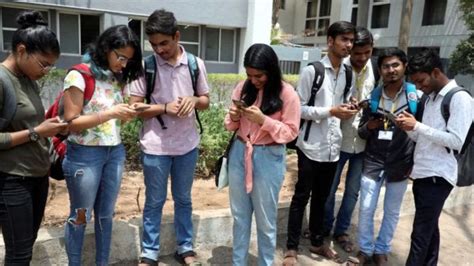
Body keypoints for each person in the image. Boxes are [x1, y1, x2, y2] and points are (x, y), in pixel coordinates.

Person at [128, 9, 210, 266]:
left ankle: (185, 248)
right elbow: (134, 108)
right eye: (153, 44)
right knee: (154, 201)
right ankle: (149, 252)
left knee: (184, 198)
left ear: (176, 36)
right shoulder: (146, 66)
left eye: (164, 43)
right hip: (155, 146)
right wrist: (165, 108)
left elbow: (206, 101)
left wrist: (195, 100)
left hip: (187, 144)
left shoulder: (195, 64)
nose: (159, 49)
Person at [61, 25, 144, 265]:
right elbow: (71, 123)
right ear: (106, 48)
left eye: (129, 60)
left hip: (114, 153)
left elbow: (111, 119)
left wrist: (125, 115)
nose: (124, 64)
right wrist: (110, 114)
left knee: (106, 215)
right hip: (84, 155)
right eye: (121, 57)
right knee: (80, 215)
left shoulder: (115, 77)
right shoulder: (79, 75)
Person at [283, 21, 358, 265]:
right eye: (344, 39)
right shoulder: (312, 71)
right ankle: (291, 248)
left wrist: (350, 107)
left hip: (332, 147)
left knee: (323, 197)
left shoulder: (348, 73)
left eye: (351, 40)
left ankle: (317, 242)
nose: (349, 45)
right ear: (330, 41)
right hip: (310, 145)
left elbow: (344, 103)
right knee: (301, 196)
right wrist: (331, 111)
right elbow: (299, 109)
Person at [0, 10, 67, 265]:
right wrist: (36, 132)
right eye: (43, 63)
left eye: (51, 65)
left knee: (26, 247)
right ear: (21, 50)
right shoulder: (2, 79)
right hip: (12, 180)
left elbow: (31, 125)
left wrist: (51, 129)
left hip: (37, 177)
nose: (47, 70)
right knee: (19, 254)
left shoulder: (28, 79)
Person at [224, 43, 300, 266]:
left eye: (259, 75)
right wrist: (234, 115)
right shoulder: (242, 88)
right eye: (249, 74)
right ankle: (239, 263)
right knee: (240, 217)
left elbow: (291, 133)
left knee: (266, 221)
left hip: (269, 157)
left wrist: (264, 121)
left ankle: (265, 262)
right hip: (240, 152)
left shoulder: (287, 94)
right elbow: (230, 126)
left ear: (271, 70)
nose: (254, 80)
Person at [398, 49, 473, 266]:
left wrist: (418, 125)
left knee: (420, 233)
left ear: (436, 72)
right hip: (423, 173)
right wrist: (407, 126)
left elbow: (456, 141)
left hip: (438, 176)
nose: (420, 87)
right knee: (429, 230)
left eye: (421, 81)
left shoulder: (460, 99)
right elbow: (424, 136)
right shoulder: (430, 98)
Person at [354, 48, 420, 266]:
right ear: (380, 70)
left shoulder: (415, 98)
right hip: (373, 161)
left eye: (395, 65)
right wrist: (370, 126)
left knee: (392, 211)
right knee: (366, 207)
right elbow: (361, 132)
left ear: (404, 66)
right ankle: (365, 249)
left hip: (401, 163)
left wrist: (414, 164)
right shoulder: (373, 97)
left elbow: (422, 133)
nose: (391, 70)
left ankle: (382, 250)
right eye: (386, 66)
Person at [323, 26, 376, 253]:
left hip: (363, 143)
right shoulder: (339, 69)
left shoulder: (377, 71)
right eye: (357, 53)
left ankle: (341, 231)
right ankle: (323, 230)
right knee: (330, 188)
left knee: (353, 190)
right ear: (350, 49)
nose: (362, 58)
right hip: (338, 140)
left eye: (367, 53)